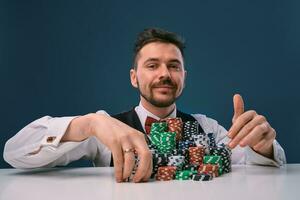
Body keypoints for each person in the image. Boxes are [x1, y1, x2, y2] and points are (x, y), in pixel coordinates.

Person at [3, 28, 286, 183]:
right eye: (152, 65)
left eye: (173, 66)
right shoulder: (103, 129)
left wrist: (263, 148)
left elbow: (261, 172)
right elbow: (14, 153)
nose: (164, 73)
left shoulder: (207, 127)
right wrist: (87, 123)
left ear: (184, 78)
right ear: (134, 77)